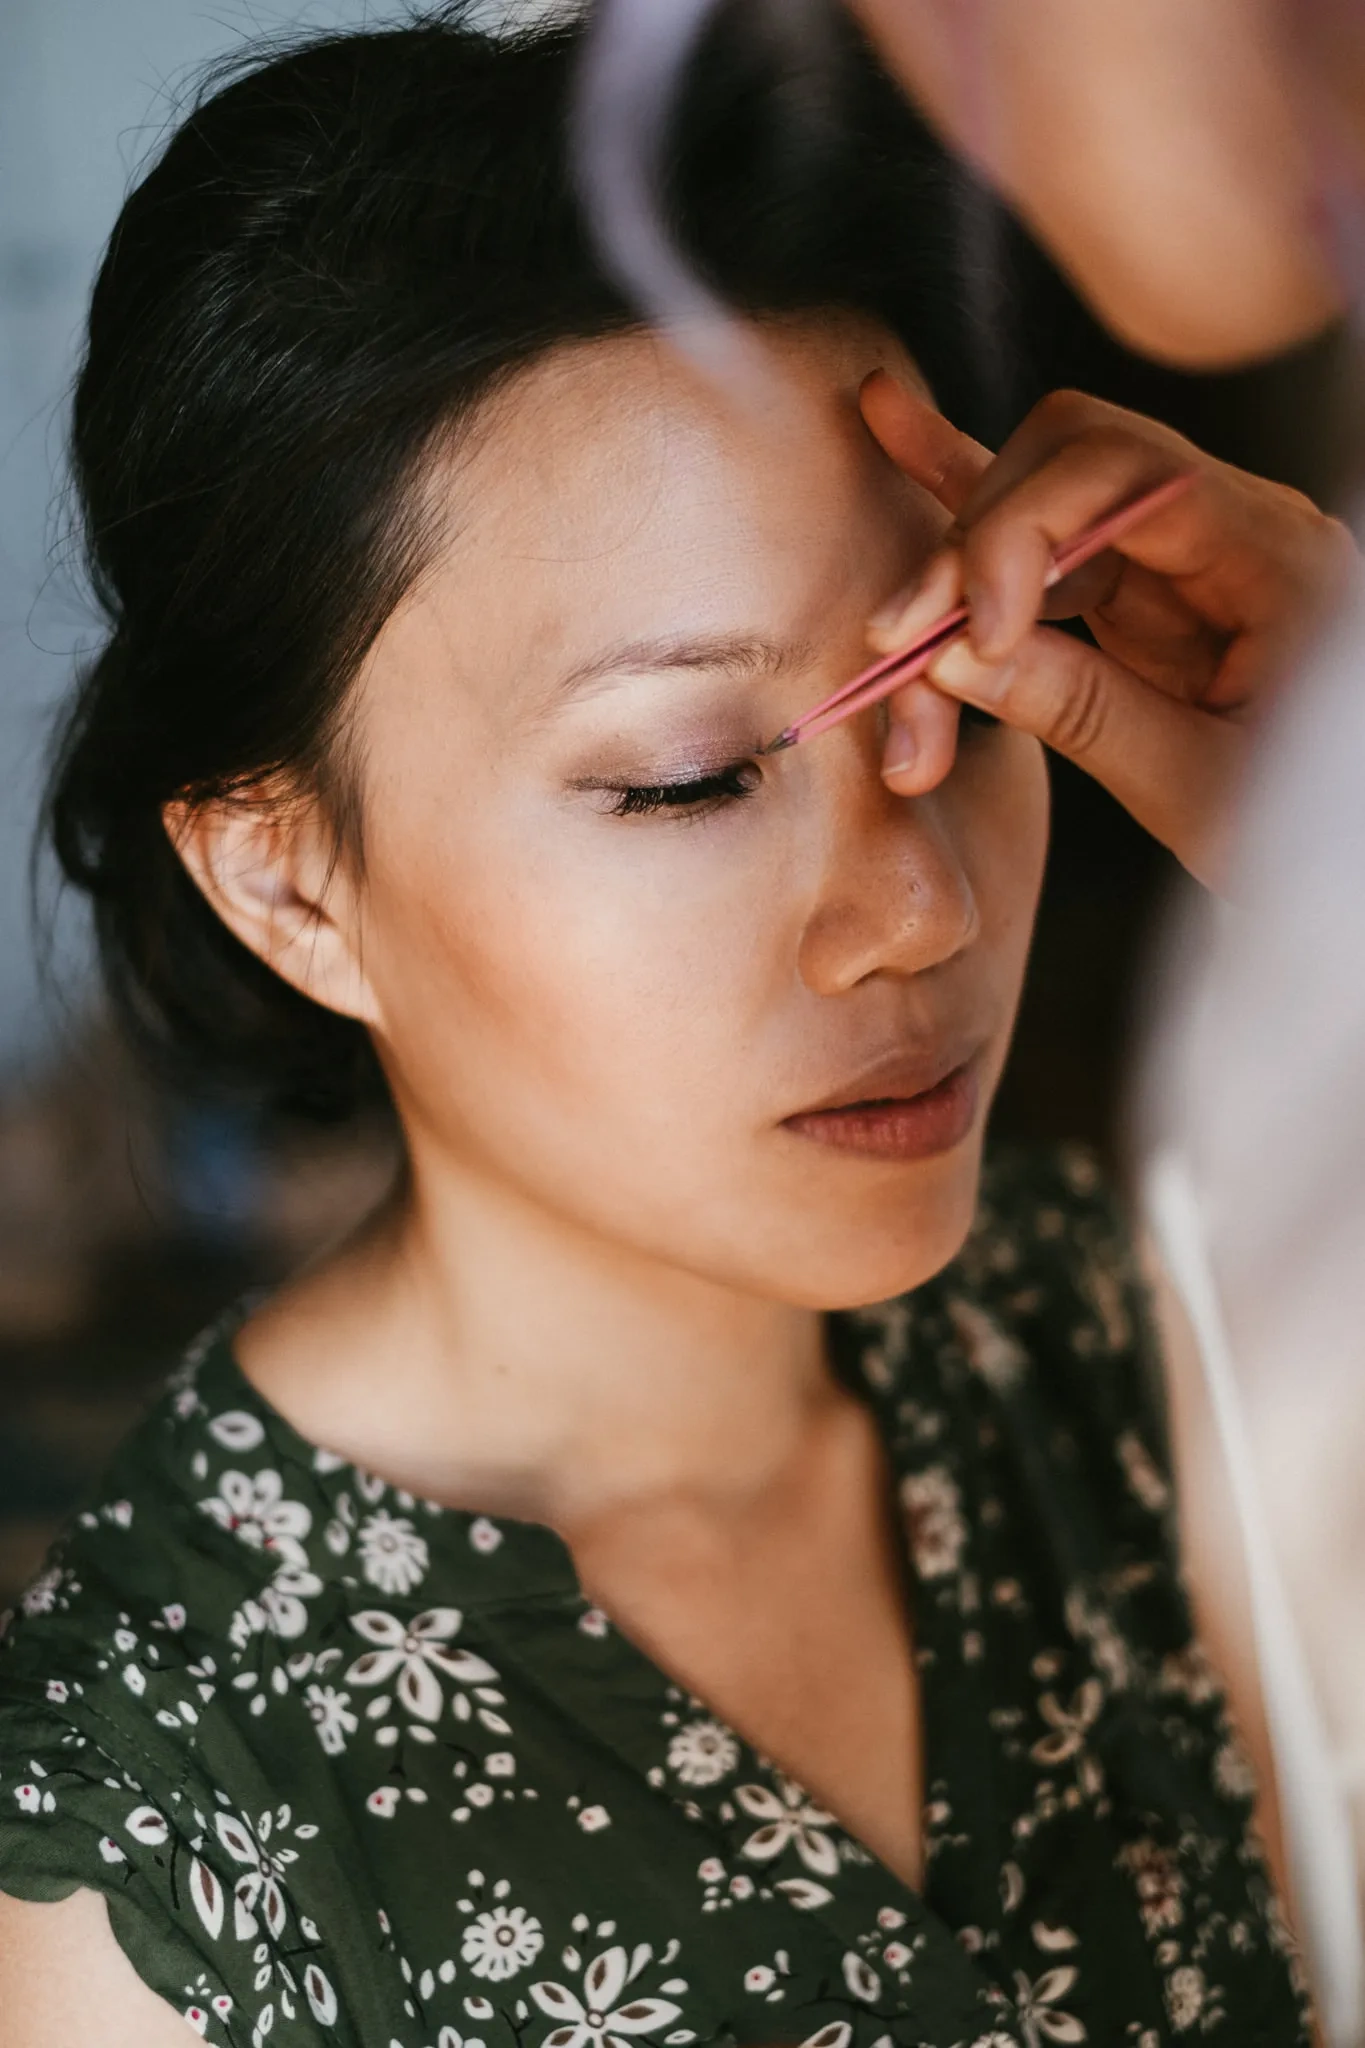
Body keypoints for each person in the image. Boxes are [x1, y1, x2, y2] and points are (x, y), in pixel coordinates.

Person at [0, 7, 1344, 2045]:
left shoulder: (1157, 1335)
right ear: (290, 878)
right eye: (693, 773)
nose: (915, 906)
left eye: (965, 702)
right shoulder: (172, 1820)